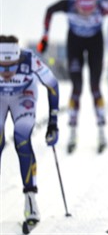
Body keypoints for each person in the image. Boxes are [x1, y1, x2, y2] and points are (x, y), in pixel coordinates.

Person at [38, 0, 108, 154]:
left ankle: (101, 132)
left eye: (89, 9)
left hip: (95, 44)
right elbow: (50, 10)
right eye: (82, 9)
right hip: (75, 44)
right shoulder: (68, 5)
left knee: (95, 88)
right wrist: (45, 36)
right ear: (77, 4)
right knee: (76, 88)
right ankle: (72, 133)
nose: (86, 12)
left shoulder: (101, 6)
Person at [0, 35, 60, 233]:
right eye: (2, 66)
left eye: (11, 66)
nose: (7, 72)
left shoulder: (29, 59)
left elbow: (52, 84)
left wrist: (53, 122)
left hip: (23, 95)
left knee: (22, 138)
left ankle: (31, 199)